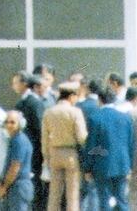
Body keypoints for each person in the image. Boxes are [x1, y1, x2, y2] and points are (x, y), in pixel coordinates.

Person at [83, 87, 134, 211]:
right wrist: (130, 165)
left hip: (102, 165)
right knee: (121, 199)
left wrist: (87, 167)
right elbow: (131, 143)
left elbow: (92, 145)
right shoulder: (126, 118)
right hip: (122, 164)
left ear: (100, 100)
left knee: (104, 200)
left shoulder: (95, 118)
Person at [41, 81, 88, 211]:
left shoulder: (49, 112)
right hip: (70, 154)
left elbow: (44, 139)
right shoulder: (75, 112)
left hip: (54, 153)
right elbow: (82, 137)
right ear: (71, 96)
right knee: (72, 194)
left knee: (54, 193)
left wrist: (46, 157)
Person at [10, 71, 45, 210]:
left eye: (16, 82)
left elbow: (39, 128)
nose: (13, 86)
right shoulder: (22, 103)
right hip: (27, 150)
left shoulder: (33, 102)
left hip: (34, 150)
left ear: (25, 84)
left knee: (34, 182)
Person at [0, 110, 34, 211]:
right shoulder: (14, 140)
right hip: (13, 187)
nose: (9, 125)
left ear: (20, 124)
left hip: (18, 187)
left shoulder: (19, 141)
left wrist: (4, 186)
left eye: (12, 122)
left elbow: (15, 167)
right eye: (7, 122)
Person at [76, 79, 102, 211]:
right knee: (97, 190)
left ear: (87, 88)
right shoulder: (101, 106)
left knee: (84, 189)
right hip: (101, 151)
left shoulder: (79, 106)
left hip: (83, 150)